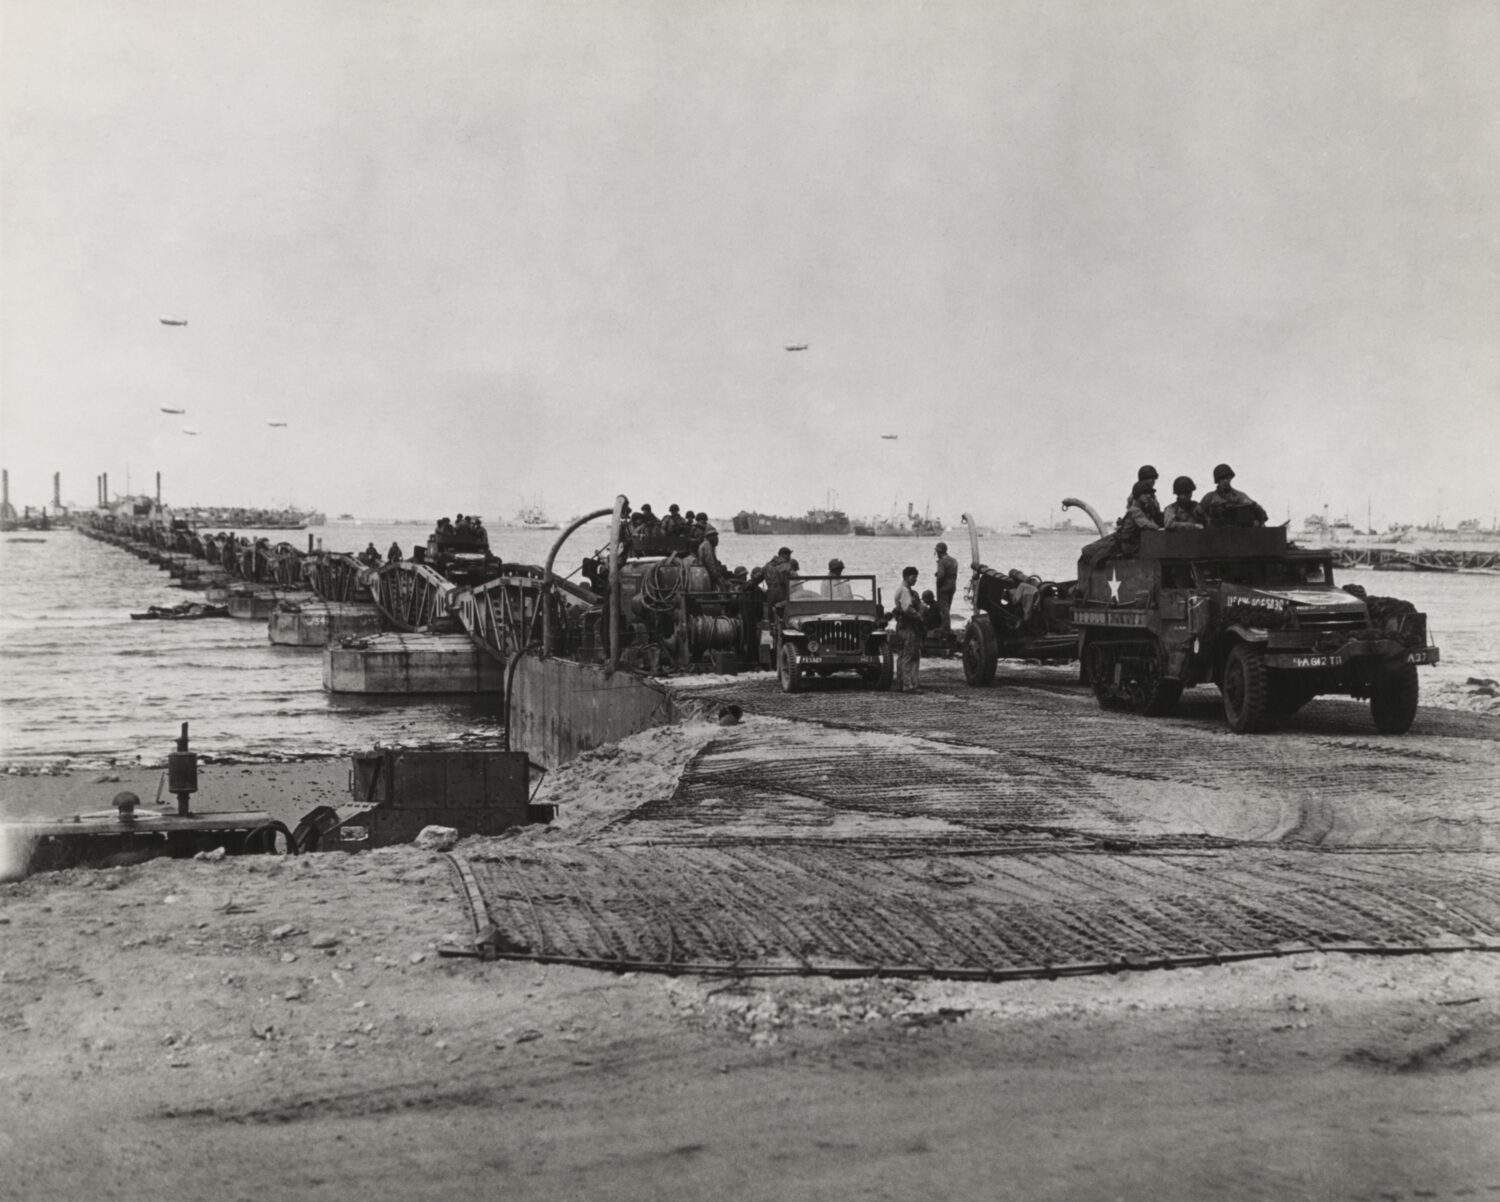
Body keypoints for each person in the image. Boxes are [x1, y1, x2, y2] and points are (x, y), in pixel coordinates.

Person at [1199, 463, 1268, 528]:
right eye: (1222, 478)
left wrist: (1257, 522)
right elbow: (1197, 515)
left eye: (1227, 478)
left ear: (1230, 478)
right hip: (1215, 536)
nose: (1225, 481)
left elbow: (1261, 513)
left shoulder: (1241, 497)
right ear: (1218, 480)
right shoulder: (1209, 498)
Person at [891, 566, 925, 692]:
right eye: (913, 577)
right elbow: (907, 609)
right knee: (910, 655)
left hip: (901, 626)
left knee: (902, 655)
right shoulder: (905, 591)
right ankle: (909, 685)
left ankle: (902, 683)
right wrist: (919, 616)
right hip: (908, 626)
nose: (915, 579)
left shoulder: (901, 589)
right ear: (906, 577)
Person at [933, 541, 959, 645]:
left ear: (939, 551)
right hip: (952, 586)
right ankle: (947, 628)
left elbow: (941, 576)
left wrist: (939, 585)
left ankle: (945, 629)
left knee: (943, 609)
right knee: (948, 607)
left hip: (943, 587)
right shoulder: (953, 560)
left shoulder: (942, 562)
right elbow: (952, 573)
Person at [761, 546, 793, 613]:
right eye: (789, 555)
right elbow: (787, 581)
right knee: (784, 618)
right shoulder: (786, 565)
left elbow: (759, 578)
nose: (790, 557)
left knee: (772, 620)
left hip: (771, 596)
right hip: (782, 597)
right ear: (783, 555)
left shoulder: (767, 566)